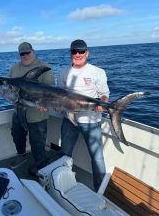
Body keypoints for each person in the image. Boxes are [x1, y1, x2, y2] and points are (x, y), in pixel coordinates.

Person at [58, 39, 109, 191]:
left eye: (81, 51)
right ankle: (63, 185)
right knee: (64, 154)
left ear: (87, 53)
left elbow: (104, 94)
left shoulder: (97, 72)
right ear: (70, 53)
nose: (78, 54)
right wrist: (58, 106)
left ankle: (100, 190)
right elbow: (59, 94)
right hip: (69, 120)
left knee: (97, 157)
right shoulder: (63, 71)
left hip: (91, 120)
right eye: (74, 51)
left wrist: (102, 103)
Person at [9, 42, 55, 175]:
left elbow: (50, 89)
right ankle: (21, 155)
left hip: (37, 113)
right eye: (22, 53)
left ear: (33, 51)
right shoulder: (14, 69)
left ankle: (41, 168)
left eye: (27, 52)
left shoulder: (44, 67)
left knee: (37, 142)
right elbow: (9, 87)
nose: (25, 55)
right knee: (17, 135)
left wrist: (45, 103)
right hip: (18, 111)